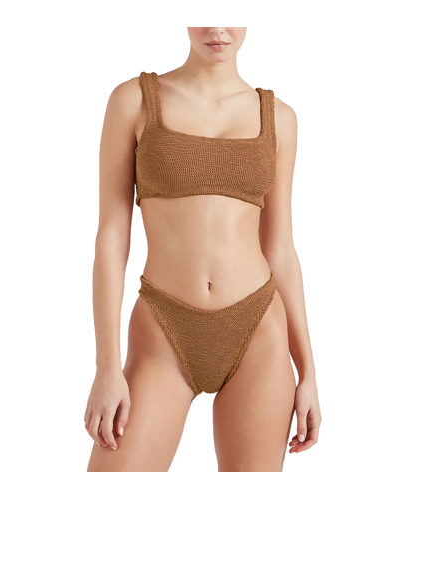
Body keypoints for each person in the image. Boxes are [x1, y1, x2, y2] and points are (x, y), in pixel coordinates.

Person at [85, 27, 320, 472]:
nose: (217, 28)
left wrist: (308, 372)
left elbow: (281, 250)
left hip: (258, 331)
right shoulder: (134, 101)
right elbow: (112, 236)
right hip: (162, 331)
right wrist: (106, 366)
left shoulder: (279, 118)